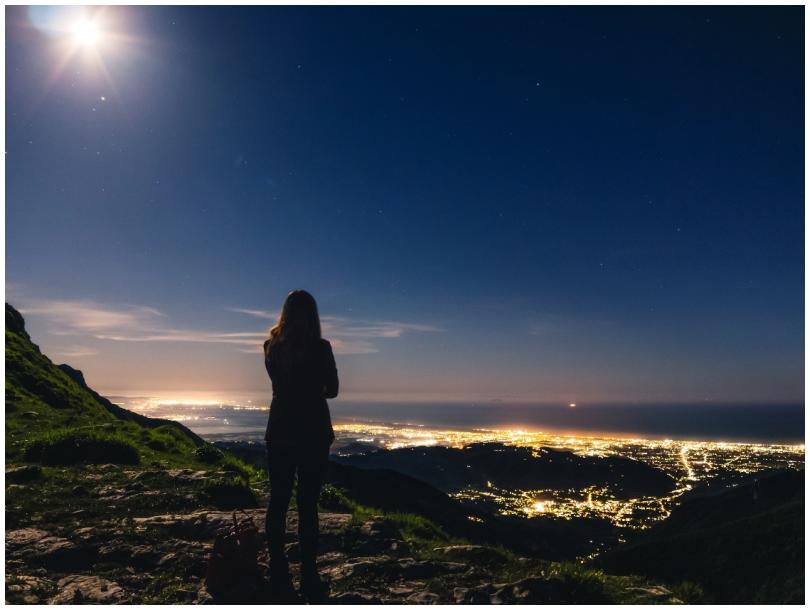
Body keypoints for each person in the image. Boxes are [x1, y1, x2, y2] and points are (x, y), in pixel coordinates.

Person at [263, 289, 338, 601]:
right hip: (312, 430)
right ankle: (309, 574)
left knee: (278, 500)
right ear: (312, 315)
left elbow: (278, 384)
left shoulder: (271, 346)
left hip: (280, 427)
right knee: (308, 504)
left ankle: (278, 571)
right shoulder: (320, 348)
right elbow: (332, 390)